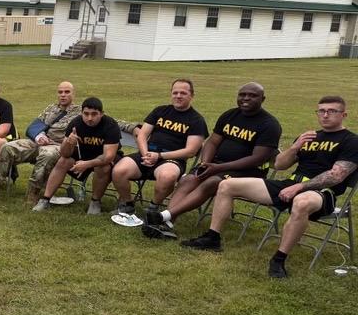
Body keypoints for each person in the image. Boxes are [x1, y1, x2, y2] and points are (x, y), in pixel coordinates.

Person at [183, 95, 358, 277]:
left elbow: (336, 175)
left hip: (322, 191)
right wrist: (295, 147)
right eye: (321, 110)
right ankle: (212, 238)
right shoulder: (310, 137)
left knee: (301, 202)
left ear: (343, 115)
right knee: (227, 185)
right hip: (290, 183)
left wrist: (299, 188)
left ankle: (278, 260)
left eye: (332, 111)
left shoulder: (351, 141)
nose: (325, 115)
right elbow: (280, 165)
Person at [143, 82, 281, 239]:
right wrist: (205, 163)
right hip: (216, 165)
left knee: (212, 182)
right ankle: (167, 224)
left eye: (252, 95)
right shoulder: (229, 115)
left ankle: (163, 216)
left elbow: (257, 159)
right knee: (188, 180)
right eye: (242, 94)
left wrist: (216, 168)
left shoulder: (269, 124)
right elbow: (212, 142)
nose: (246, 98)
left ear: (262, 99)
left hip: (248, 172)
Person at [110, 79, 208, 217]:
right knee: (118, 170)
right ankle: (128, 204)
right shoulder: (160, 111)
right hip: (148, 153)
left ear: (191, 95)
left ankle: (152, 207)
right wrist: (145, 154)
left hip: (172, 159)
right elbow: (142, 135)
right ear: (171, 94)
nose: (178, 96)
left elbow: (190, 151)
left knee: (167, 176)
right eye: (175, 92)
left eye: (183, 93)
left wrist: (159, 156)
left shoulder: (197, 120)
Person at [0, 81, 80, 202]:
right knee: (8, 147)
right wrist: (38, 136)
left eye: (67, 92)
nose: (63, 95)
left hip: (57, 146)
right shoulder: (51, 108)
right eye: (60, 92)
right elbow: (33, 127)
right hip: (38, 142)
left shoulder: (79, 113)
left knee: (46, 155)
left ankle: (34, 192)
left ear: (73, 94)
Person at [33, 97, 123, 215]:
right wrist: (68, 142)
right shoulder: (76, 123)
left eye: (94, 114)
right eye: (86, 114)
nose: (89, 118)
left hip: (105, 157)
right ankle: (45, 199)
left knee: (103, 167)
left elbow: (108, 156)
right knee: (63, 161)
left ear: (101, 113)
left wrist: (87, 164)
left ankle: (95, 202)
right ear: (81, 113)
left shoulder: (110, 125)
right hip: (84, 153)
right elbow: (64, 153)